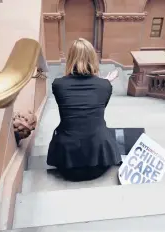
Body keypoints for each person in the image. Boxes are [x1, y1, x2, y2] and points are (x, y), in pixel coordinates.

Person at [47, 38, 122, 182]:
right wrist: (104, 82)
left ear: (70, 59)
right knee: (101, 127)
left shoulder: (58, 85)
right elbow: (95, 110)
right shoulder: (105, 86)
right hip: (98, 164)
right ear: (93, 58)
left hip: (66, 165)